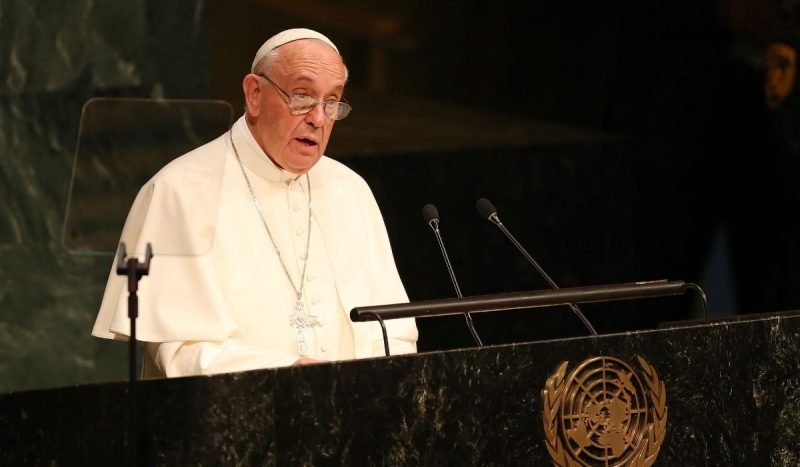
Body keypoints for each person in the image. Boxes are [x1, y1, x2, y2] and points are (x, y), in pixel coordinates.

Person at [92, 28, 418, 377]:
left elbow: (394, 333)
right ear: (255, 94)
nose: (318, 118)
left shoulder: (350, 191)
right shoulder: (180, 190)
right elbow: (182, 352)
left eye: (331, 101)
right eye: (303, 96)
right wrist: (291, 374)